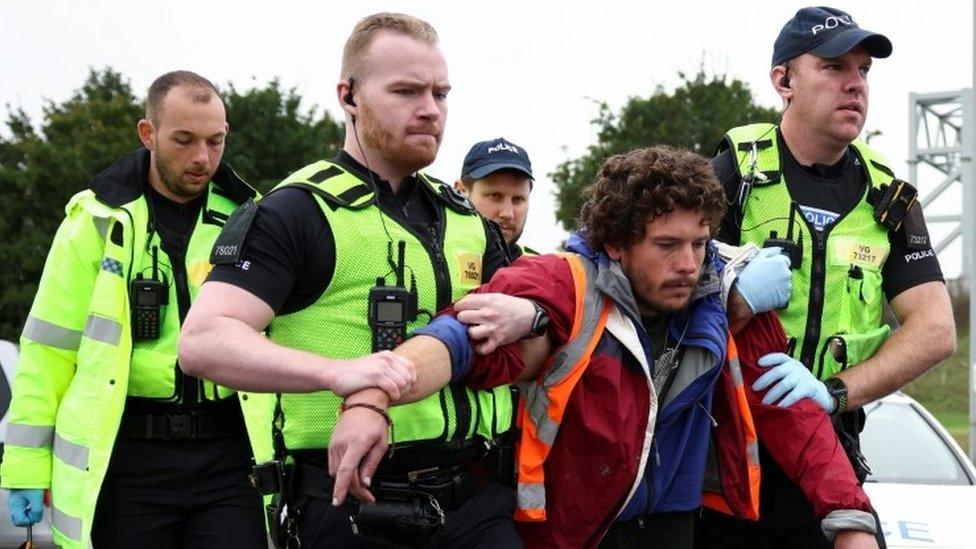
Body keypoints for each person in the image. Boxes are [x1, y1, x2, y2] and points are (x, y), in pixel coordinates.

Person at [328, 146, 879, 549]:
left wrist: (851, 517)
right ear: (615, 242)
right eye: (666, 245)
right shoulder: (562, 281)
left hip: (673, 524)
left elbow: (793, 415)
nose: (689, 263)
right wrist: (371, 397)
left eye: (699, 241)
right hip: (566, 527)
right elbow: (456, 337)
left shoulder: (724, 287)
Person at [178, 12, 522, 548]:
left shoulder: (468, 219)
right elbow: (202, 342)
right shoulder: (295, 212)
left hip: (478, 503)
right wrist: (339, 374)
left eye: (440, 93)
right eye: (406, 91)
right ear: (350, 96)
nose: (430, 110)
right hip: (353, 509)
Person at [702, 6, 956, 547]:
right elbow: (656, 296)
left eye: (863, 70)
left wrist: (833, 392)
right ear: (783, 80)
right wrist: (733, 298)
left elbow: (936, 331)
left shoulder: (887, 194)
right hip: (719, 459)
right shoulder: (734, 173)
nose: (855, 85)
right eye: (834, 66)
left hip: (827, 459)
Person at [0, 71, 283, 548]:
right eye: (184, 140)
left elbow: (287, 337)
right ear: (147, 134)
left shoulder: (251, 220)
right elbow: (47, 349)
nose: (202, 158)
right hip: (127, 460)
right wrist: (24, 464)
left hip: (232, 457)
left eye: (215, 141)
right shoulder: (93, 222)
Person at [454, 137, 537, 257]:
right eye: (495, 196)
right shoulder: (429, 257)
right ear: (460, 192)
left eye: (517, 199)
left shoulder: (539, 271)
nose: (508, 214)